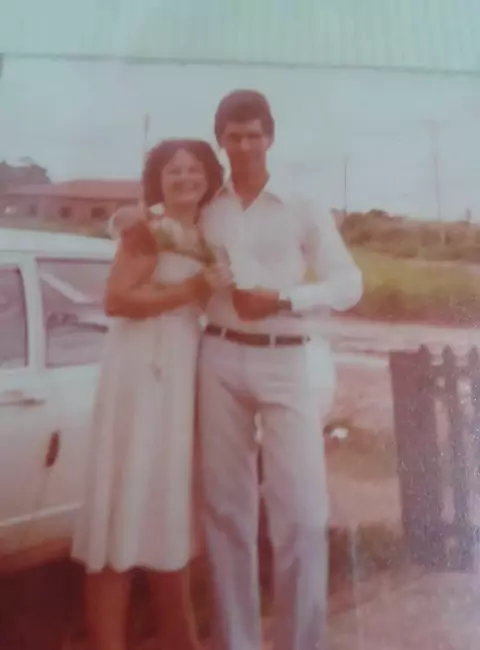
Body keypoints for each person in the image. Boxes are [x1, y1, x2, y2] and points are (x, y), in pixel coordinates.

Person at [198, 90, 363, 650]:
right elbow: (155, 227)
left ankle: (299, 641)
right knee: (226, 512)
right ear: (220, 139)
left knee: (303, 514)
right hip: (219, 356)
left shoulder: (301, 203)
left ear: (270, 137)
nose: (244, 145)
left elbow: (349, 284)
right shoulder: (209, 206)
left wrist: (285, 298)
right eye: (233, 135)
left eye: (254, 134)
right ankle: (236, 642)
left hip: (286, 356)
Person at [72, 138, 232, 650]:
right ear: (158, 182)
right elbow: (116, 299)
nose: (185, 178)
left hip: (179, 373)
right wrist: (191, 290)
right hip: (139, 373)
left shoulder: (203, 234)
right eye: (173, 171)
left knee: (166, 512)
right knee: (121, 511)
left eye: (194, 169)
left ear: (209, 177)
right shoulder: (148, 230)